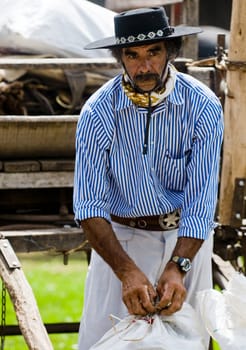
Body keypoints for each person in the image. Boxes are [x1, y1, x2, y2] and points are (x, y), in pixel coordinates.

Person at [73, 7, 224, 350]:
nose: (143, 66)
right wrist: (126, 273)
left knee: (187, 343)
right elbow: (88, 205)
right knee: (102, 342)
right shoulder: (98, 111)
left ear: (170, 52)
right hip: (121, 241)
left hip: (187, 242)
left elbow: (201, 202)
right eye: (132, 55)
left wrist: (179, 266)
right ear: (119, 58)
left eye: (153, 52)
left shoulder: (202, 106)